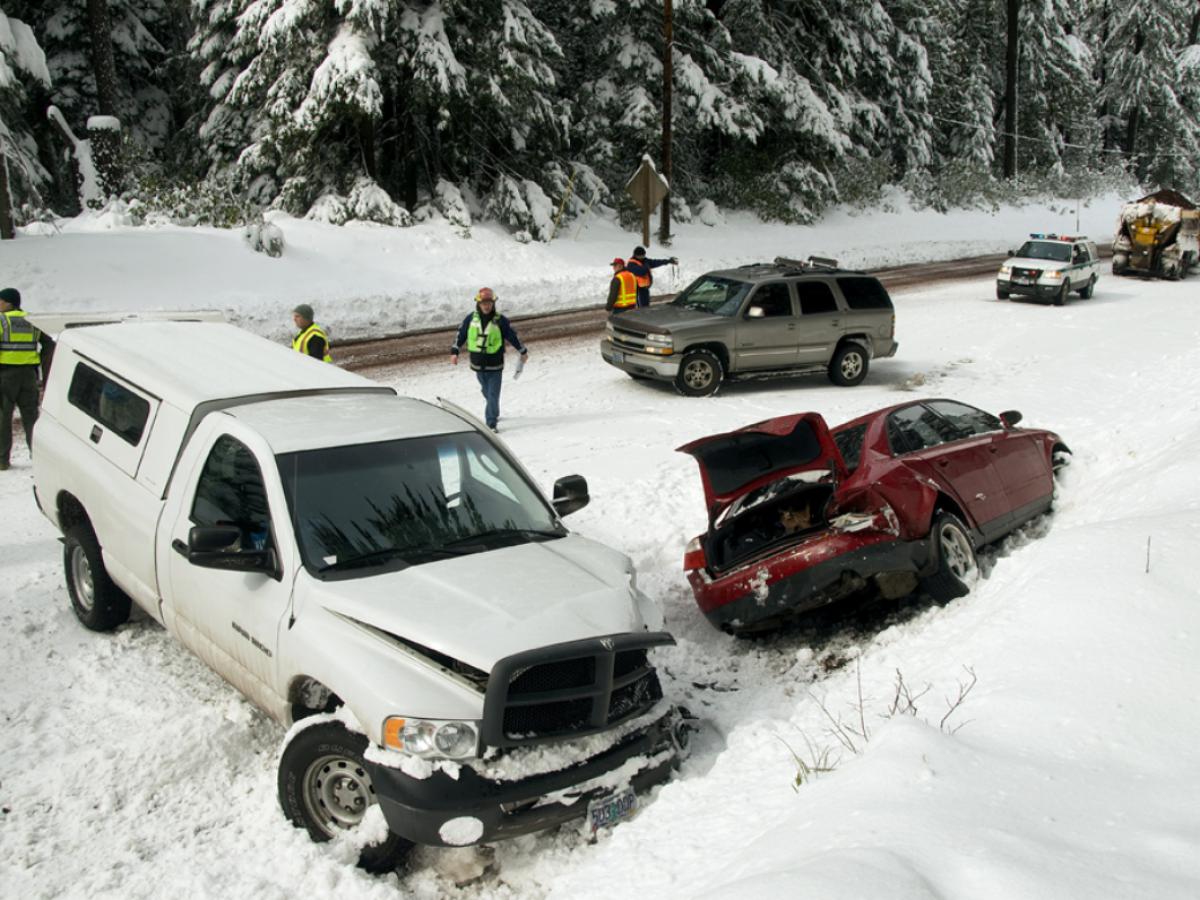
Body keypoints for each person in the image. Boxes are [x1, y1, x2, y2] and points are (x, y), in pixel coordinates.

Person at [450, 287, 528, 432]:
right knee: (487, 392)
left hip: (495, 364)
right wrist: (455, 351)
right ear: (478, 304)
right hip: (478, 364)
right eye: (484, 303)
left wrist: (522, 350)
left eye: (489, 303)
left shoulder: (500, 320)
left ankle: (491, 423)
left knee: (492, 394)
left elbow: (512, 336)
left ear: (493, 303)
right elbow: (461, 335)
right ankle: (494, 410)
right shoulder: (470, 318)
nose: (487, 306)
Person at [0, 287, 53, 471]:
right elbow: (48, 343)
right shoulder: (32, 320)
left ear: (8, 302)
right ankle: (38, 456)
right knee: (31, 418)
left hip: (5, 376)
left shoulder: (2, 320)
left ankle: (2, 460)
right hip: (29, 376)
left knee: (3, 417)